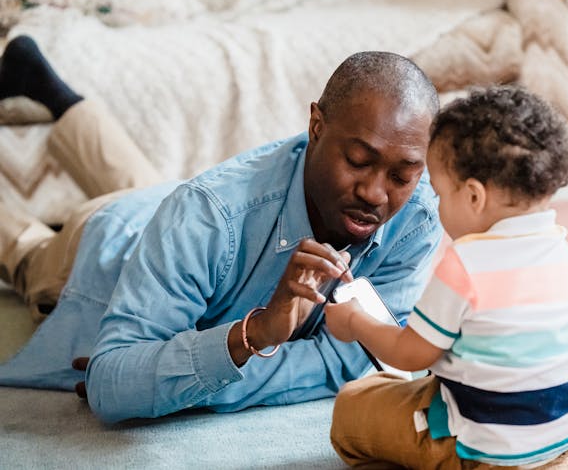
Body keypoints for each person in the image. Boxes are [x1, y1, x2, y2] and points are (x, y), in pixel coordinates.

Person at [0, 35, 443, 423]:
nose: (376, 194)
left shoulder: (418, 215)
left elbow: (343, 361)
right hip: (110, 243)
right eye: (359, 161)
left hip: (169, 207)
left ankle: (51, 92)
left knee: (163, 195)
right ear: (315, 126)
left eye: (402, 175)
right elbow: (115, 385)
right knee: (33, 256)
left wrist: (178, 389)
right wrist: (253, 335)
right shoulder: (204, 215)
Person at [325, 85, 568, 468]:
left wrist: (355, 322)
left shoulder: (466, 262)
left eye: (439, 193)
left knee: (353, 406)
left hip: (481, 451)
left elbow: (409, 352)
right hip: (560, 435)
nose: (437, 207)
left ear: (473, 196)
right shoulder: (558, 248)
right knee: (413, 388)